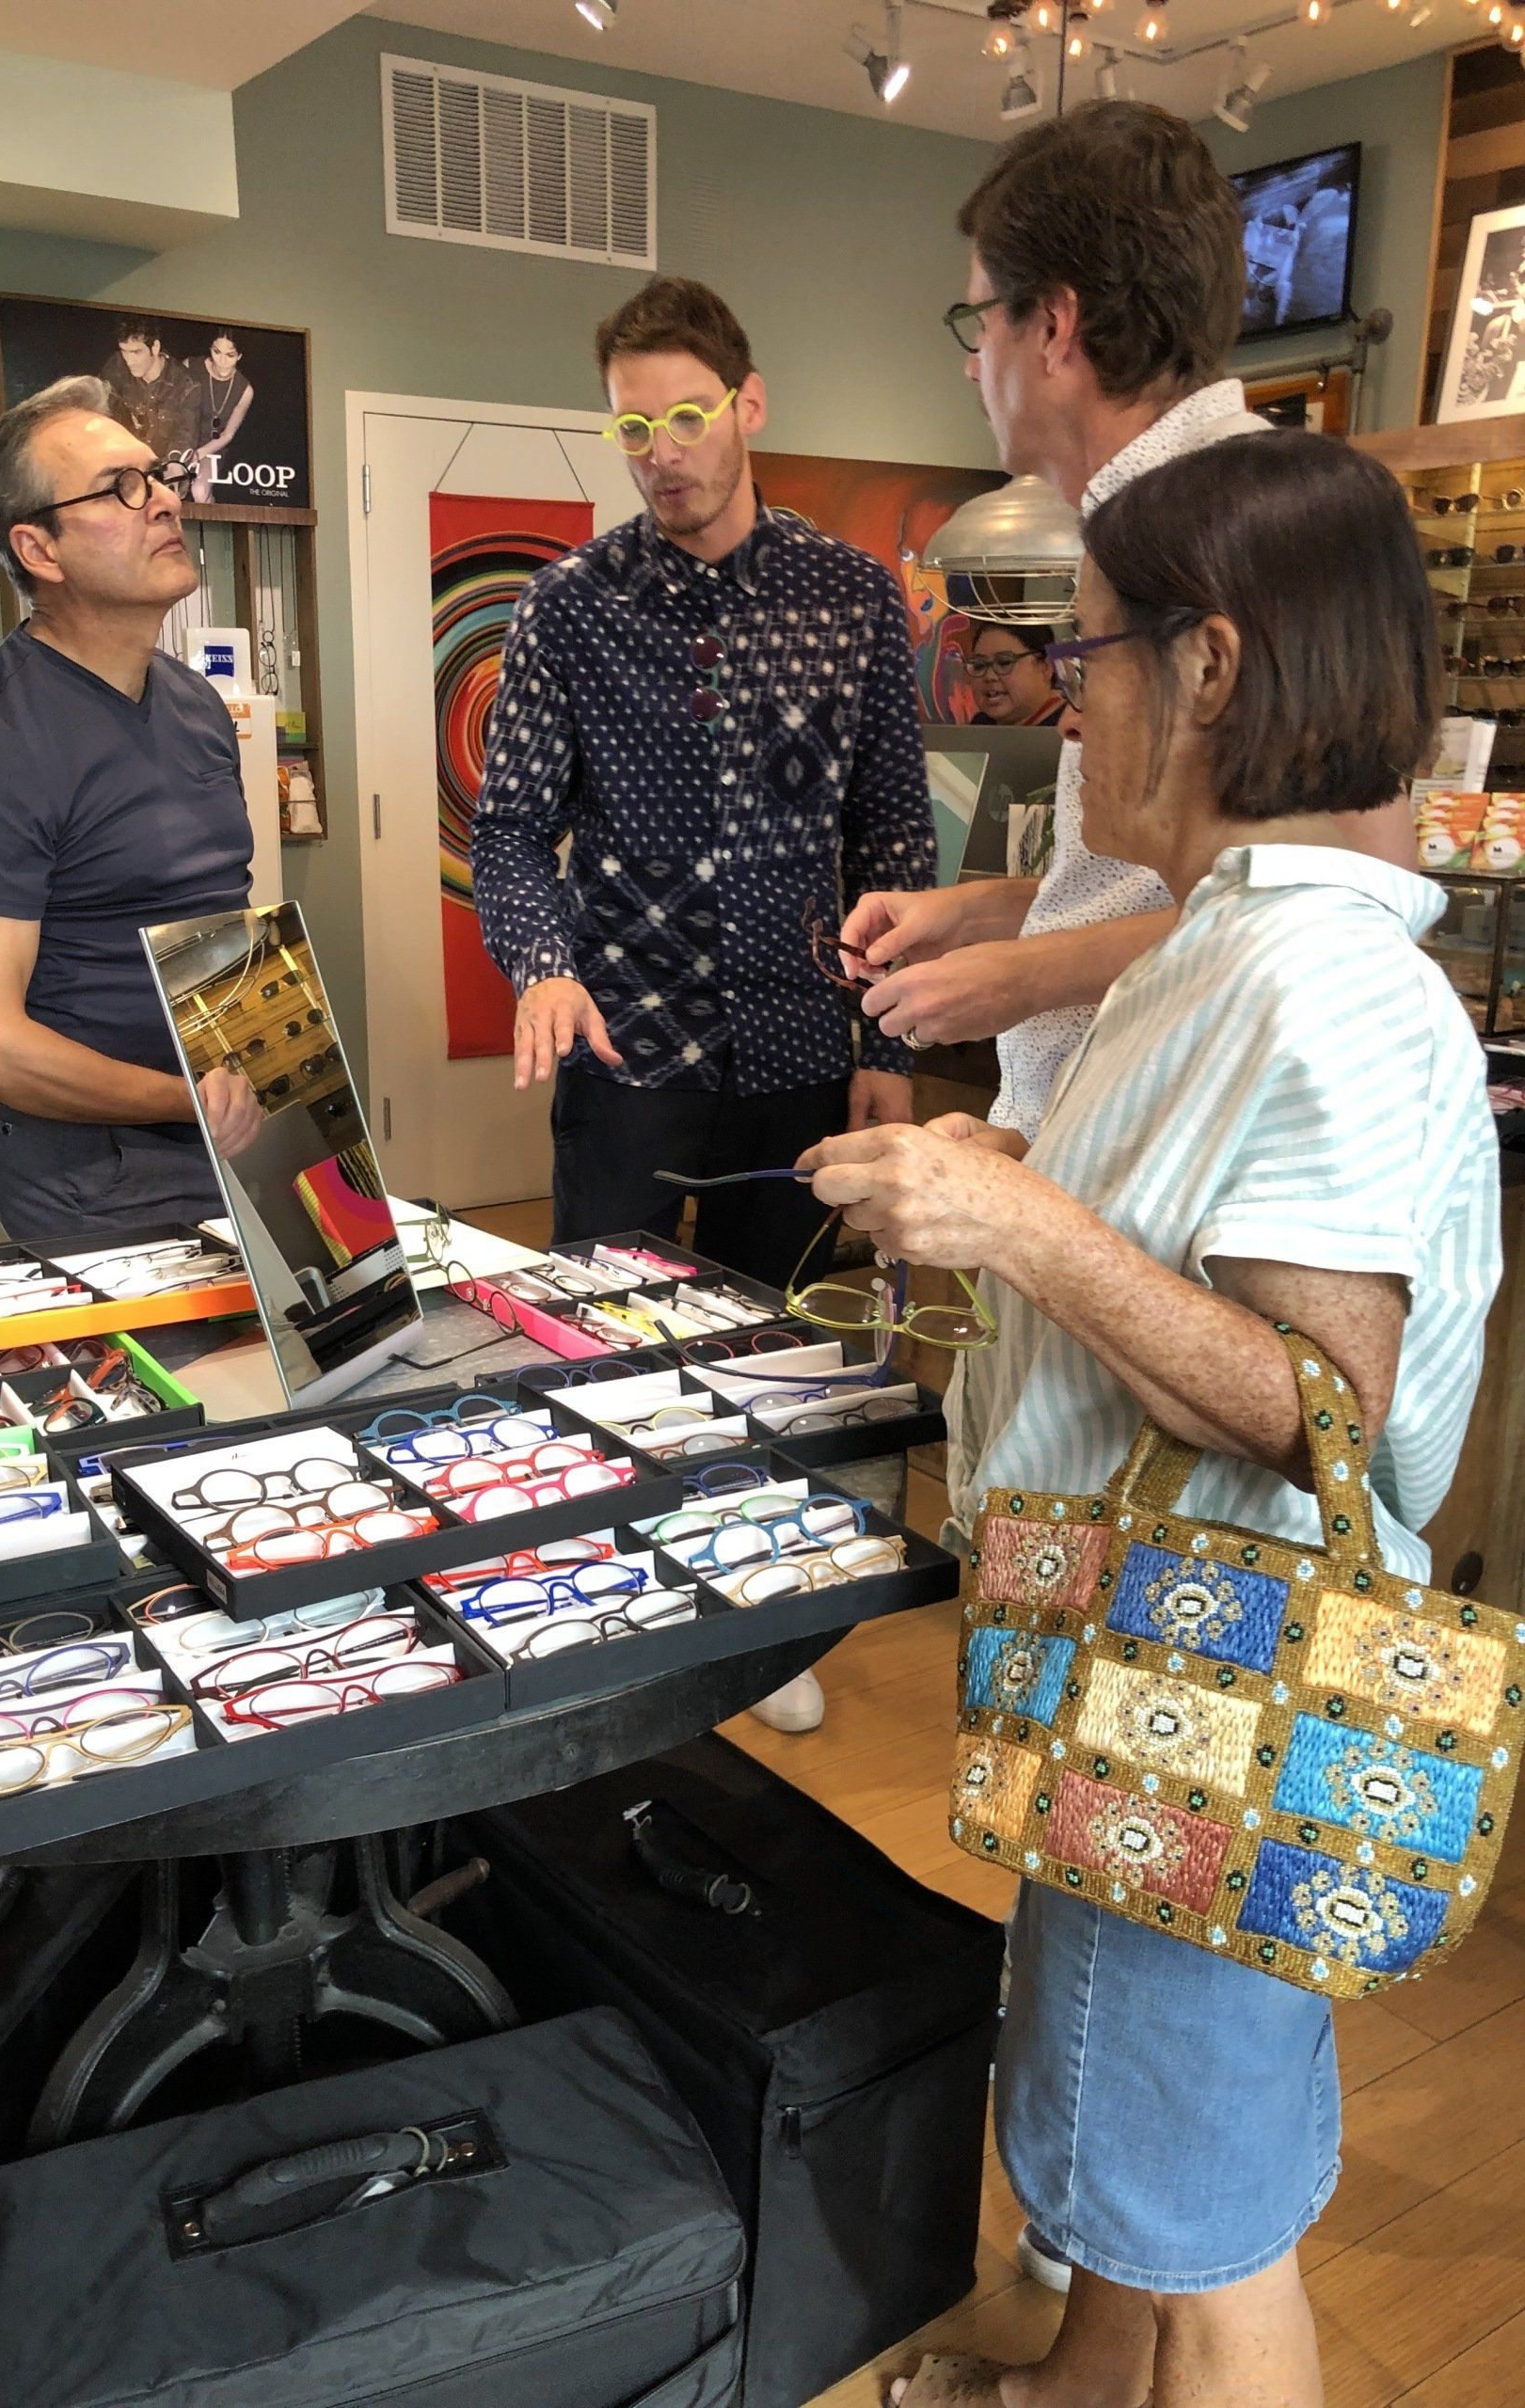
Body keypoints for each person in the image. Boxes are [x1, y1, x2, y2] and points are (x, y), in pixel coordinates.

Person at [801, 433, 1501, 2408]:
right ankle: (1077, 2380)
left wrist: (1017, 1220)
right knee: (1130, 2125)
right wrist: (1005, 1170)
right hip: (1129, 1661)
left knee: (1206, 2218)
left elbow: (1322, 1403)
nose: (1057, 698)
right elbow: (1186, 1239)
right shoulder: (1218, 943)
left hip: (1208, 1684)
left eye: (1085, 653)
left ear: (1206, 668)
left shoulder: (1324, 987)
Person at [470, 274, 935, 1736]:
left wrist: (890, 1049)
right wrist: (538, 960)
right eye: (630, 426)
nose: (658, 450)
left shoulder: (856, 598)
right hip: (627, 1044)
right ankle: (605, 1586)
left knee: (778, 1345)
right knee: (600, 1331)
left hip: (803, 1043)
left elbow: (896, 846)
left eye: (682, 415)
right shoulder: (567, 610)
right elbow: (508, 833)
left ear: (747, 405)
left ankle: (755, 1616)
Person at [842, 100, 1279, 1115]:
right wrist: (987, 914)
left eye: (976, 318)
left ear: (1052, 324)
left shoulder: (1261, 526)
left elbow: (1310, 910)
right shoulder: (1132, 521)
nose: (969, 363)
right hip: (1086, 1125)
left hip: (1172, 1137)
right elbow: (1166, 889)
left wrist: (1022, 977)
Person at [0, 375, 262, 1238]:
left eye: (158, 477)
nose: (166, 505)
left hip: (228, 1129)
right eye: (121, 488)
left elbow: (216, 915)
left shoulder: (195, 705)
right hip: (93, 1171)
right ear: (40, 549)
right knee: (173, 1380)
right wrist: (187, 1100)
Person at [101, 321, 204, 466]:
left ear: (155, 347)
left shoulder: (186, 385)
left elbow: (185, 437)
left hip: (163, 468)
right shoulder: (116, 367)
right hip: (125, 463)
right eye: (124, 351)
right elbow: (101, 412)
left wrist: (173, 466)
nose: (129, 361)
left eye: (136, 352)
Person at [190, 330, 256, 503]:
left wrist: (199, 454)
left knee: (199, 491)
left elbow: (228, 434)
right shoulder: (191, 366)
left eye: (230, 355)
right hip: (182, 440)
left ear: (239, 356)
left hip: (213, 448)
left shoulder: (245, 389)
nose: (222, 361)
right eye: (217, 352)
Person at [960, 621, 1066, 727]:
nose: (989, 676)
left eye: (1004, 662)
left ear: (1045, 668)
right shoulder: (980, 726)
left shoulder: (1074, 729)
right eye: (979, 665)